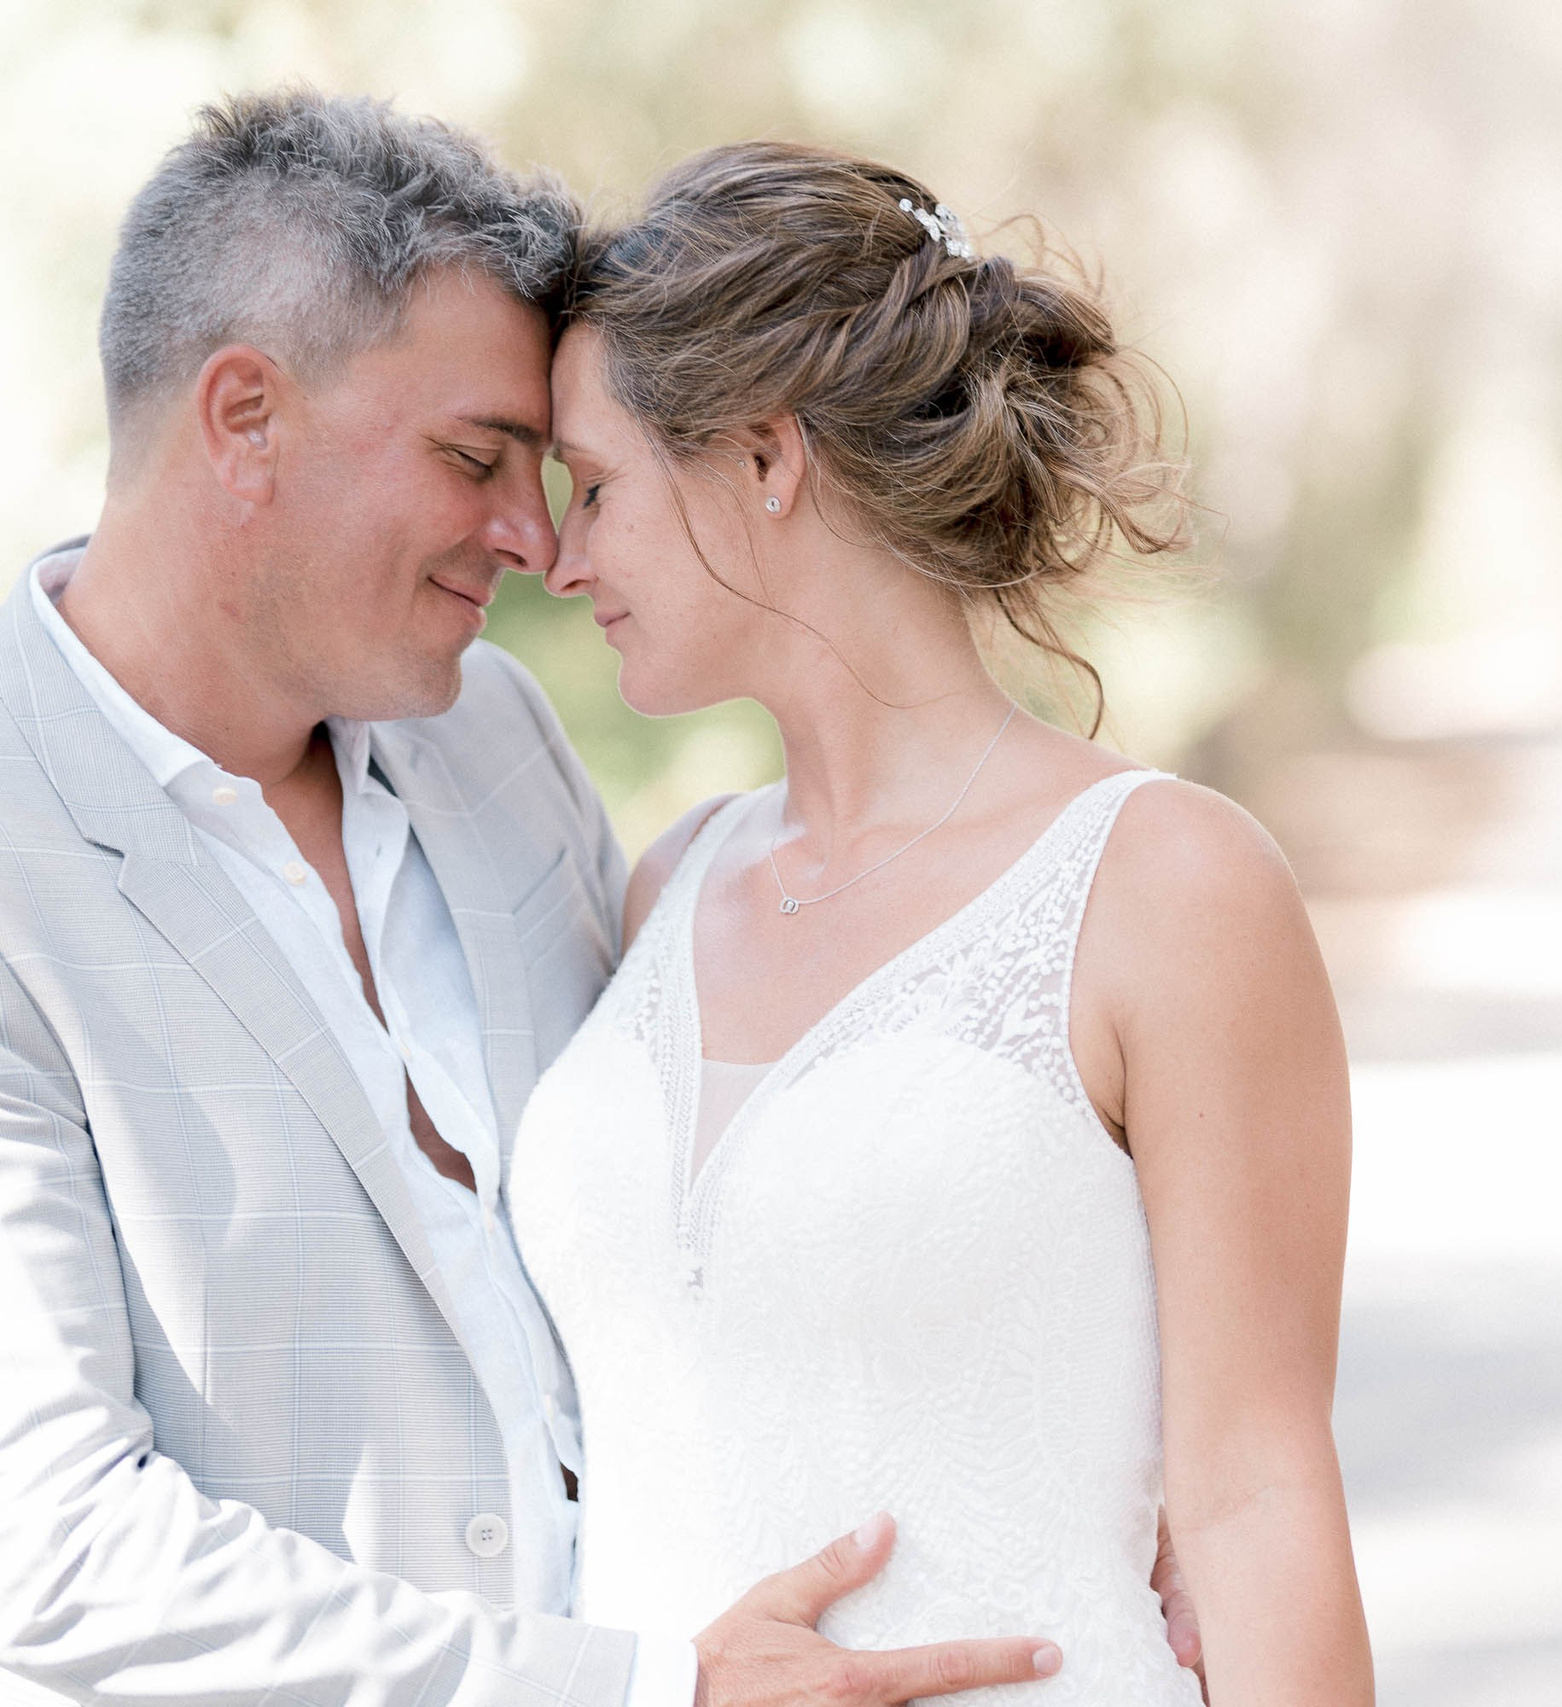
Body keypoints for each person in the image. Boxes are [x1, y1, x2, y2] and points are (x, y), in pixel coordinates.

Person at [0, 90, 1191, 1707]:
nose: (529, 539)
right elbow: (52, 1555)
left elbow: (716, 1218)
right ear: (243, 416)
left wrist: (1097, 1443)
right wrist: (637, 1690)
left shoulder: (492, 743)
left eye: (552, 473)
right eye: (478, 459)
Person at [513, 142, 1375, 1704]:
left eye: (596, 487)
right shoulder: (668, 882)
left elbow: (1255, 1502)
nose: (560, 560)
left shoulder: (1167, 887)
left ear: (767, 460)